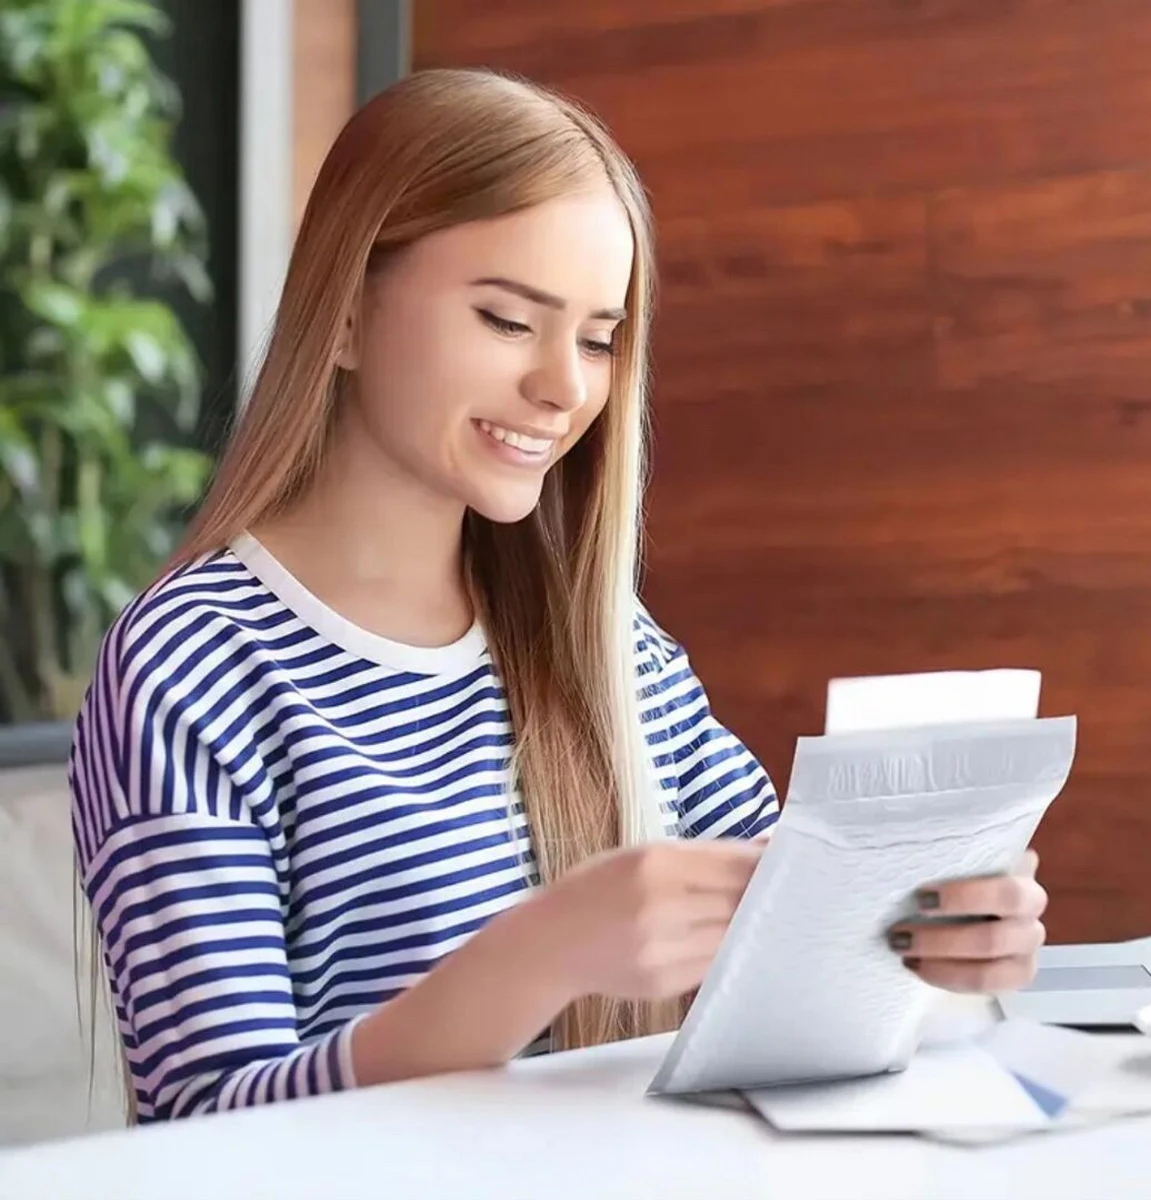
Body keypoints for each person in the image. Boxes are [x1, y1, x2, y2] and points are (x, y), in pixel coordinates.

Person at [68, 67, 1048, 1125]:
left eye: (597, 337)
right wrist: (541, 953)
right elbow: (204, 1127)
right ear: (345, 316)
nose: (567, 388)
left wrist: (917, 936)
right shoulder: (189, 665)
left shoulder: (609, 648)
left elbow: (779, 941)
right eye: (506, 319)